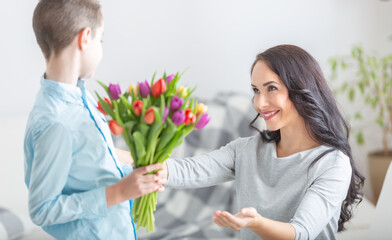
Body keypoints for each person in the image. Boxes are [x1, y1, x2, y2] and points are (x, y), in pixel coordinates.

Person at [158, 45, 365, 240]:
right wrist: (134, 160)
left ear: (301, 89)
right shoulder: (246, 150)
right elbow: (186, 170)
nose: (259, 103)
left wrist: (256, 223)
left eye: (271, 88)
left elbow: (300, 233)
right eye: (256, 90)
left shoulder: (332, 163)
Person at [24, 0, 164, 239]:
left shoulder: (80, 95)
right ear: (85, 38)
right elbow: (42, 210)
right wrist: (119, 192)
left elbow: (89, 154)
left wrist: (140, 161)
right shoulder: (55, 123)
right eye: (101, 40)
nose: (100, 47)